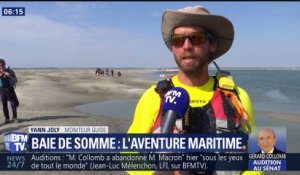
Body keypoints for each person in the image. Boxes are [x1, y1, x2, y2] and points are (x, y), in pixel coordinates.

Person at [128, 5, 259, 175]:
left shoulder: (237, 96)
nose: (187, 45)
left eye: (196, 38)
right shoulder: (153, 97)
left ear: (212, 45)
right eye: (178, 40)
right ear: (173, 49)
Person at [0, 58, 19, 124]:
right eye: (0, 65)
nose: (1, 66)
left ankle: (14, 117)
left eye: (2, 65)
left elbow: (16, 81)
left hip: (10, 89)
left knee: (13, 104)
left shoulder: (10, 71)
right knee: (4, 105)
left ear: (5, 64)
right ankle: (7, 119)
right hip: (2, 90)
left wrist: (9, 76)